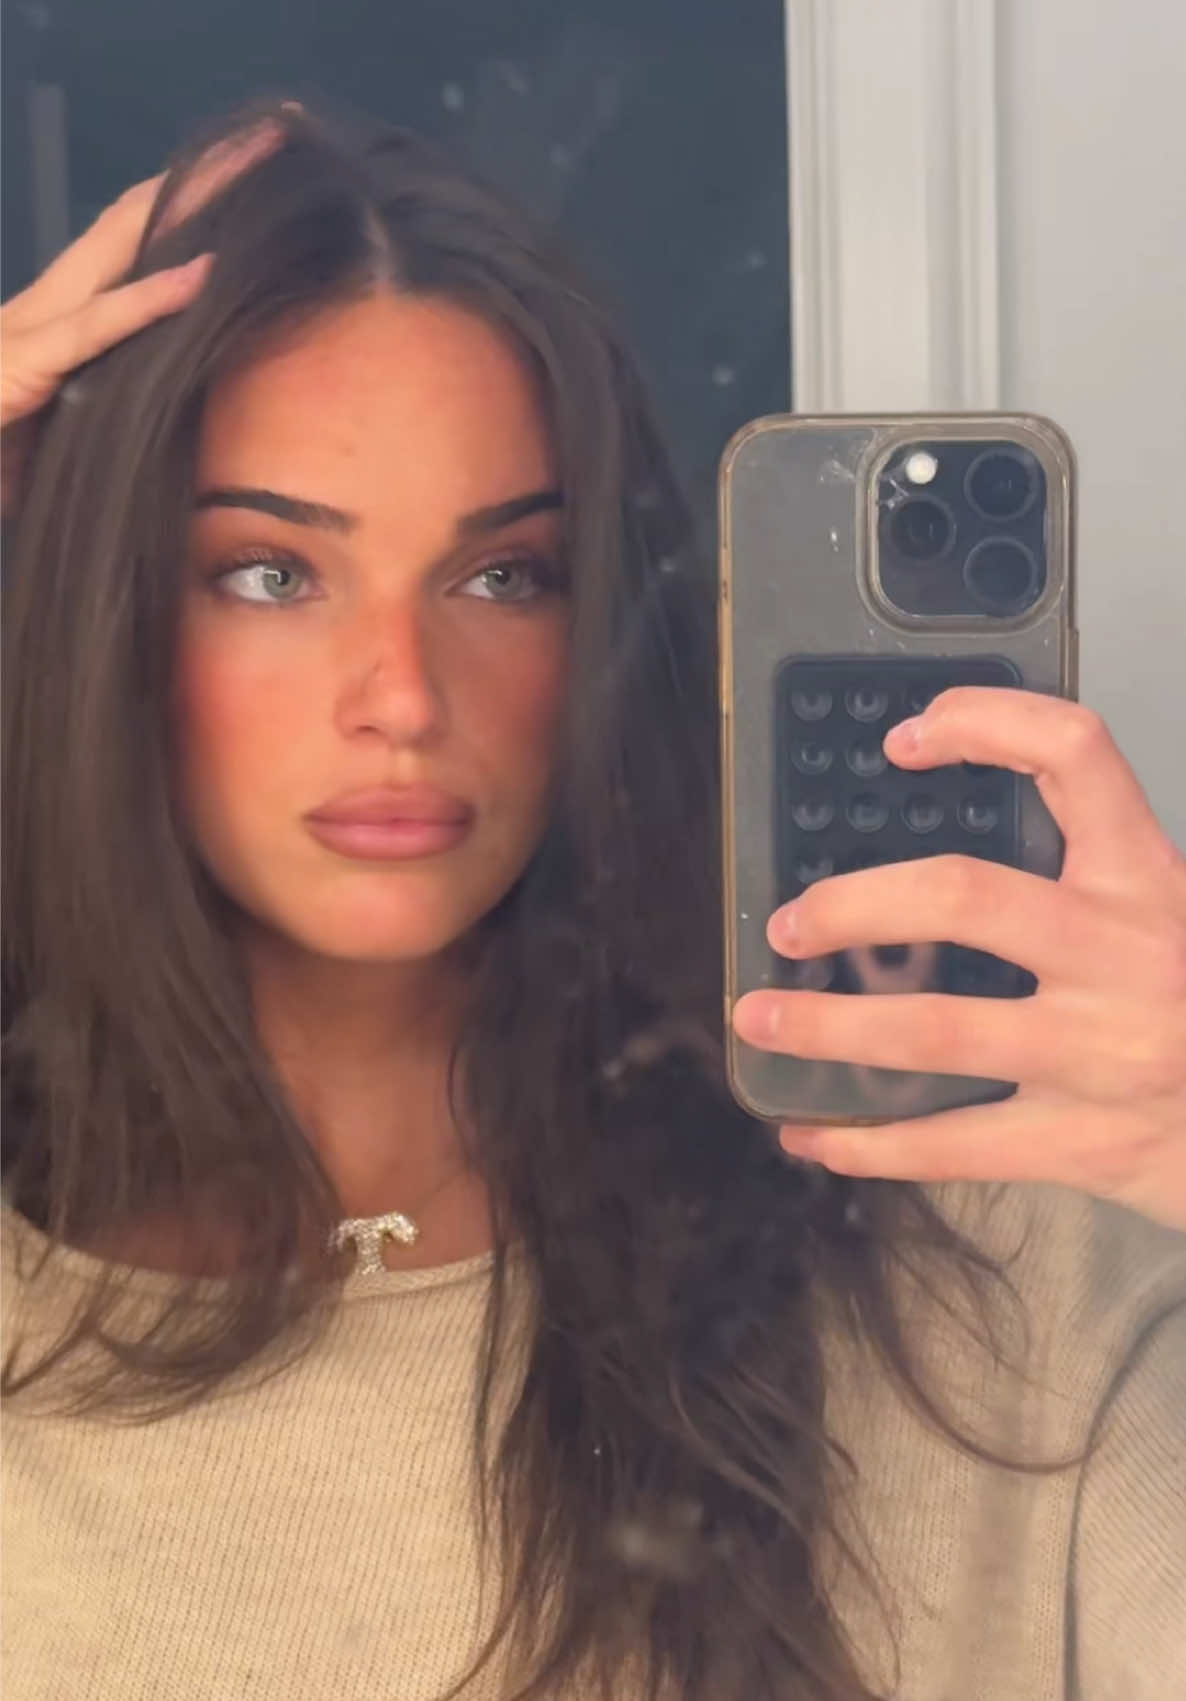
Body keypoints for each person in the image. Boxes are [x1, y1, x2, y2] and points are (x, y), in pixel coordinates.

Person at [1, 97, 1184, 1701]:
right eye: (270, 573)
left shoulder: (995, 1295)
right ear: (112, 613)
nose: (401, 694)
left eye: (503, 575)